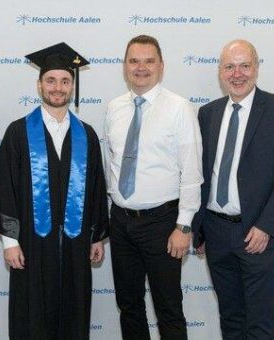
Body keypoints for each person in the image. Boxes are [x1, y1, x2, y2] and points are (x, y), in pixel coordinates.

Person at [192, 39, 274, 340]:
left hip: (257, 235)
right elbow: (202, 174)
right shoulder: (207, 113)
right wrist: (199, 228)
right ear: (220, 72)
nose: (237, 73)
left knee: (259, 322)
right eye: (229, 66)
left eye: (244, 65)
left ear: (256, 68)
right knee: (230, 318)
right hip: (215, 232)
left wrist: (265, 226)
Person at [0, 42, 109, 340]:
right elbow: (5, 187)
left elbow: (97, 188)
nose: (57, 88)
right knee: (31, 314)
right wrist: (10, 241)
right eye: (51, 81)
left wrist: (97, 236)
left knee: (73, 313)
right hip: (31, 245)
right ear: (39, 84)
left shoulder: (87, 134)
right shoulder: (18, 132)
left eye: (64, 81)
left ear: (72, 85)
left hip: (76, 244)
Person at [104, 34, 203, 340]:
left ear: (161, 66)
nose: (141, 67)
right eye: (134, 61)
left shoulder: (179, 108)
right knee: (129, 305)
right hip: (121, 221)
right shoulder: (114, 108)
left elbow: (192, 171)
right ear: (124, 66)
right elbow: (112, 163)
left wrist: (183, 226)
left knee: (168, 308)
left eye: (149, 61)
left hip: (163, 224)